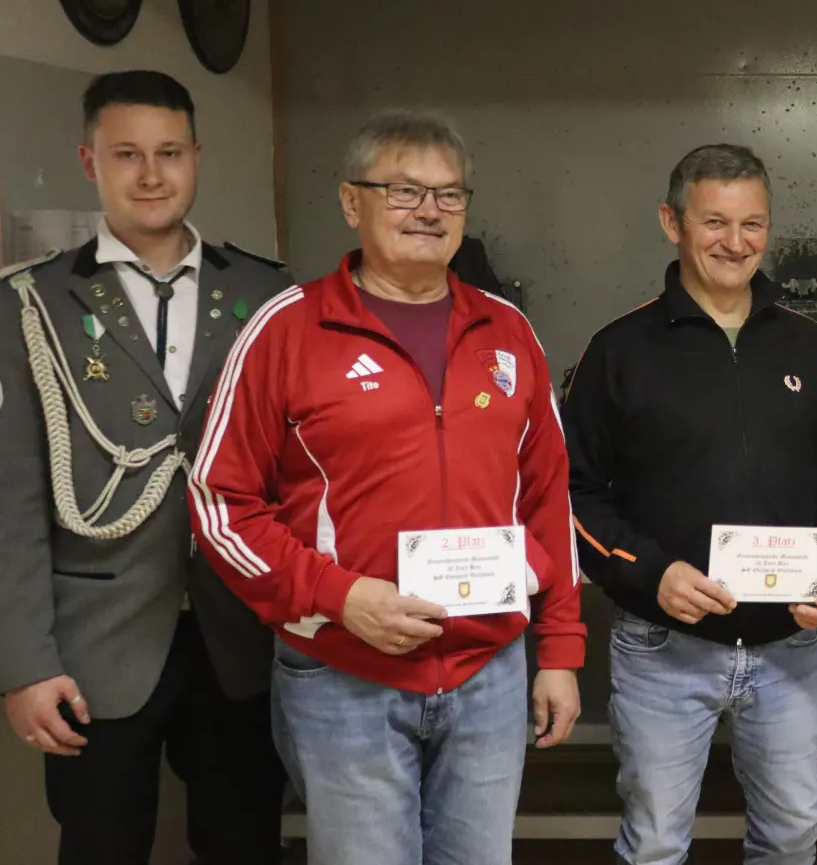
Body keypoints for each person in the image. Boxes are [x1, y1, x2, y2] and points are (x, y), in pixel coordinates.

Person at [186, 110, 584, 865]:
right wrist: (340, 597)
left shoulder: (508, 332)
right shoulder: (287, 329)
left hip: (487, 672)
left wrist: (558, 650)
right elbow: (220, 504)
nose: (429, 211)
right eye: (402, 190)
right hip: (345, 674)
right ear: (350, 202)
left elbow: (547, 499)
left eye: (449, 194)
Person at [0, 70, 289, 865]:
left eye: (169, 152)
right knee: (101, 846)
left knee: (244, 843)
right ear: (90, 161)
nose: (151, 175)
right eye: (127, 153)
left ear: (198, 156)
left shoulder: (269, 293)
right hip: (98, 644)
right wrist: (24, 665)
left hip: (242, 635)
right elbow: (13, 499)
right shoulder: (34, 303)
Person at [563, 143, 817, 865]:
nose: (736, 242)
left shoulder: (811, 346)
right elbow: (573, 492)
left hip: (788, 646)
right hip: (663, 647)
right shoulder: (619, 351)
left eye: (753, 224)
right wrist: (649, 573)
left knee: (793, 833)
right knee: (656, 843)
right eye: (714, 222)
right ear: (672, 222)